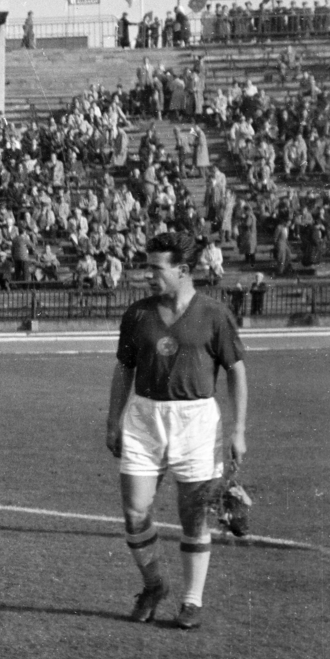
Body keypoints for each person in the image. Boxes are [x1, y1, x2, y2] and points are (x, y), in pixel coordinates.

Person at [106, 231, 247, 631]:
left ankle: (191, 601)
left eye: (156, 267)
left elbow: (236, 371)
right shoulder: (137, 313)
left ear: (183, 270)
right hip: (145, 418)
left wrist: (238, 429)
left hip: (195, 421)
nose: (148, 275)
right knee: (135, 512)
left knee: (194, 516)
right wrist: (113, 420)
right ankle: (154, 585)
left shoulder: (214, 314)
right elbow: (123, 370)